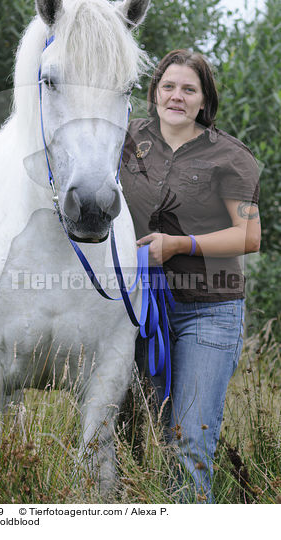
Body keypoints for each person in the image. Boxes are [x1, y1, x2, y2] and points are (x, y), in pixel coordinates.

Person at [120, 49, 261, 503]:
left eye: (188, 90)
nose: (176, 97)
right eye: (168, 87)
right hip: (142, 308)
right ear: (154, 92)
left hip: (210, 312)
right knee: (135, 434)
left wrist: (182, 244)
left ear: (203, 100)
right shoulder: (125, 139)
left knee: (189, 442)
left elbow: (250, 236)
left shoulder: (232, 158)